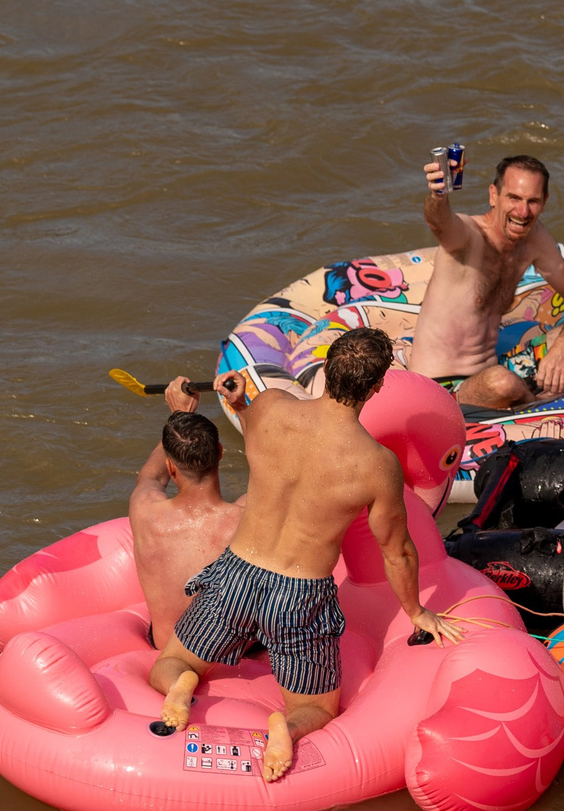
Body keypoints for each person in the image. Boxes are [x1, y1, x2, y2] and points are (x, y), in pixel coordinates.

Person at [147, 330, 464, 782]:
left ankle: (183, 684)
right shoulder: (376, 465)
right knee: (315, 707)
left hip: (237, 573)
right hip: (298, 593)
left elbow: (252, 419)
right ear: (375, 388)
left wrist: (237, 400)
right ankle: (285, 726)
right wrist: (416, 611)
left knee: (170, 663)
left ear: (326, 369)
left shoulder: (272, 406)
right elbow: (397, 550)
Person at [416, 152, 564, 410]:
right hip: (441, 388)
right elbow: (439, 222)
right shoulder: (469, 237)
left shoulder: (534, 239)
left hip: (498, 367)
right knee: (501, 383)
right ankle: (543, 400)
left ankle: (528, 395)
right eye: (514, 198)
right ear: (493, 195)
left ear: (544, 201)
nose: (522, 212)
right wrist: (438, 196)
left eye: (532, 201)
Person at [131, 391, 245, 649]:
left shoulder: (144, 511)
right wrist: (239, 406)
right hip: (232, 653)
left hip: (166, 648)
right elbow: (272, 471)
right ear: (220, 452)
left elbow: (150, 477)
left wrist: (179, 414)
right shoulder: (248, 516)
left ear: (171, 467)